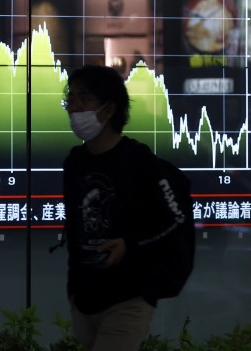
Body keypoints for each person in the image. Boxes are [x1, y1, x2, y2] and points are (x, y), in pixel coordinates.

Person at [61, 64, 188, 351]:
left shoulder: (138, 161)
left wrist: (130, 245)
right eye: (71, 99)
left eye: (84, 98)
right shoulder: (75, 163)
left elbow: (175, 219)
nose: (74, 107)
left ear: (108, 109)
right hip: (85, 295)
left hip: (128, 296)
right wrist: (74, 290)